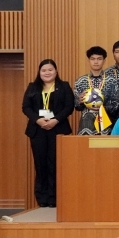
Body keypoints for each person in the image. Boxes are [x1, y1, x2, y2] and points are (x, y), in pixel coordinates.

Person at [22, 59, 75, 207]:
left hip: (57, 129)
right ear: (39, 73)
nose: (47, 73)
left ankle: (55, 198)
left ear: (56, 71)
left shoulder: (63, 86)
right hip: (37, 130)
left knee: (55, 164)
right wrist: (37, 120)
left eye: (50, 70)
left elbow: (69, 106)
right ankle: (42, 198)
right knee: (41, 165)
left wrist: (55, 120)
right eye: (44, 70)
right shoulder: (33, 87)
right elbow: (26, 107)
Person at [75, 46, 118, 135]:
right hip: (86, 124)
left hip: (105, 121)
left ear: (104, 61)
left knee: (105, 147)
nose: (96, 62)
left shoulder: (111, 81)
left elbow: (116, 105)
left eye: (99, 59)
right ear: (88, 60)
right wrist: (80, 101)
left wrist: (101, 106)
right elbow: (76, 107)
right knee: (84, 147)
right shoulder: (81, 81)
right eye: (93, 59)